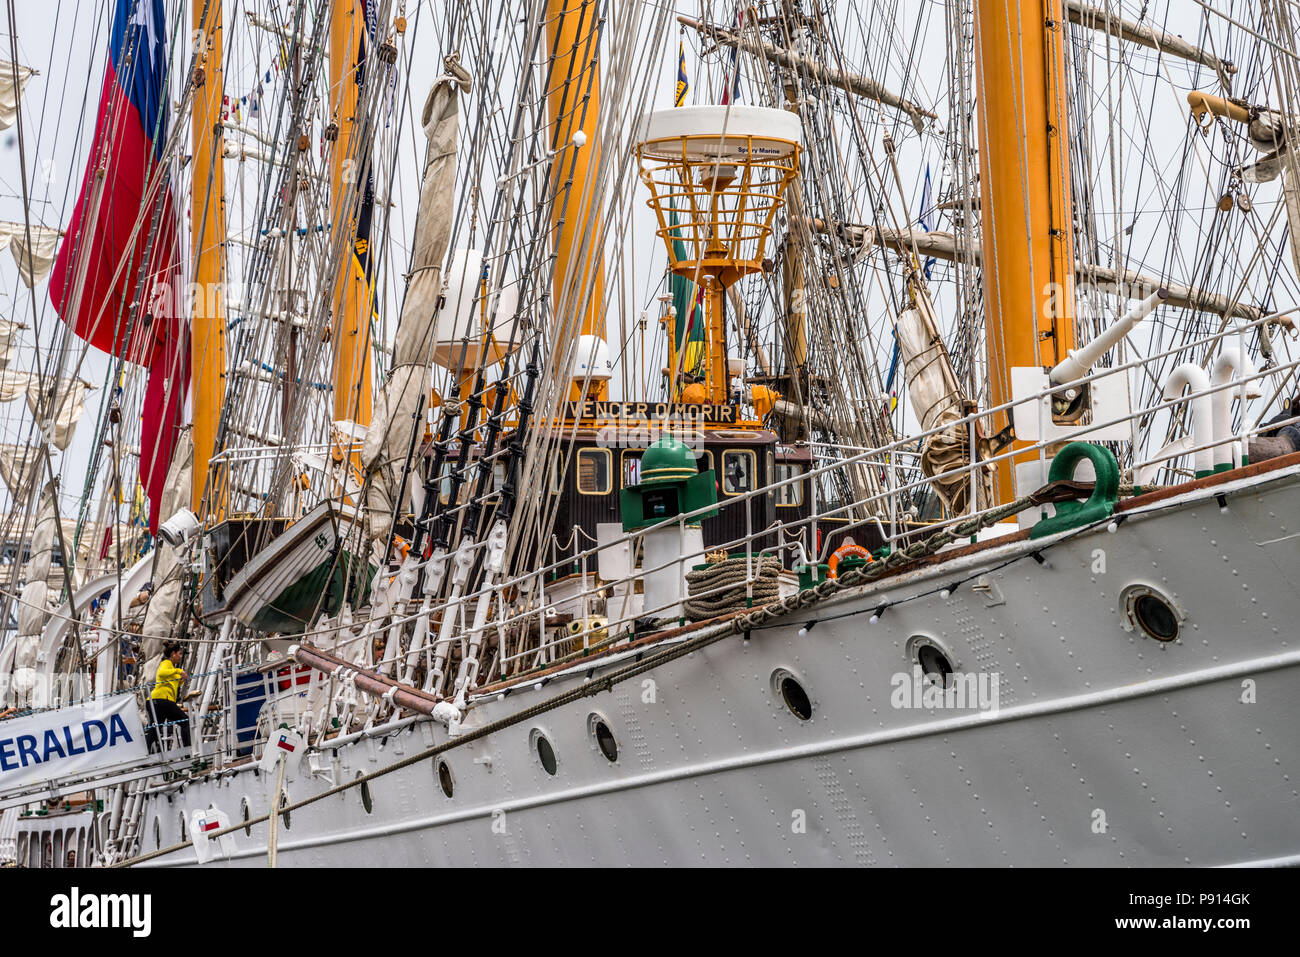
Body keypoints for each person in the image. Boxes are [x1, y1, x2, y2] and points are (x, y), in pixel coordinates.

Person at [146, 642, 191, 752]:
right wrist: (179, 670)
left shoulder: (170, 667)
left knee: (155, 728)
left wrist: (181, 680)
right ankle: (188, 752)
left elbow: (172, 682)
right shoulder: (166, 663)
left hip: (156, 701)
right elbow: (161, 673)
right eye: (179, 654)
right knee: (185, 721)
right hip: (162, 700)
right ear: (173, 654)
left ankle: (146, 754)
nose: (181, 656)